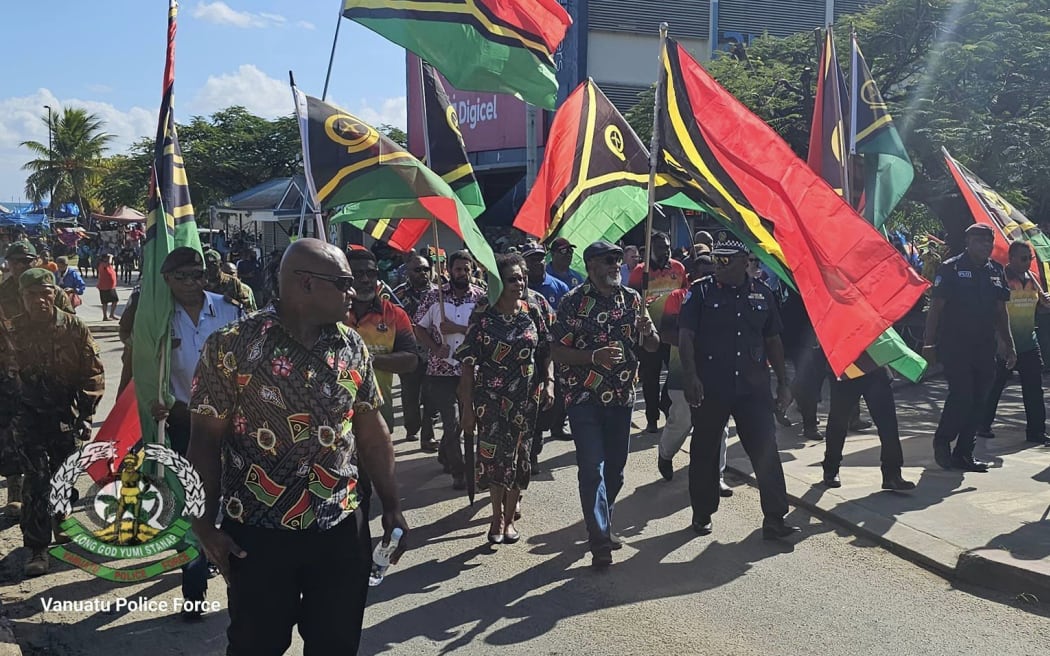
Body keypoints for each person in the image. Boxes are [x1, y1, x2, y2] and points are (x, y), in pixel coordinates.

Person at [188, 239, 408, 655]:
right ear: (305, 284)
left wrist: (392, 503)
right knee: (257, 644)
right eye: (344, 282)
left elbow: (371, 430)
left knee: (336, 644)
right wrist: (203, 524)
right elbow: (204, 442)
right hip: (258, 532)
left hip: (340, 527)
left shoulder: (350, 345)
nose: (356, 291)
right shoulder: (231, 346)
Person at [138, 247, 241, 618]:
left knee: (236, 502)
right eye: (181, 277)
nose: (191, 284)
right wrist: (155, 399)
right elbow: (144, 365)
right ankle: (194, 590)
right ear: (166, 280)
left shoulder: (230, 309)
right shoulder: (158, 317)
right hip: (185, 421)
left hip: (234, 422)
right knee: (193, 505)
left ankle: (241, 584)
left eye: (196, 275)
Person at [679, 236, 798, 540]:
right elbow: (686, 337)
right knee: (705, 450)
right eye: (717, 259)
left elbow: (773, 340)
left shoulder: (763, 293)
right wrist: (690, 376)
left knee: (765, 450)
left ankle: (774, 517)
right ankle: (702, 512)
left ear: (745, 262)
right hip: (711, 385)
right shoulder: (701, 292)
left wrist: (783, 383)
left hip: (752, 388)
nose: (720, 265)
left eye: (727, 260)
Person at [550, 240, 659, 569]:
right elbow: (556, 350)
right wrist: (591, 357)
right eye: (609, 260)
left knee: (616, 470)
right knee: (592, 468)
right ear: (591, 265)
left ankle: (601, 518)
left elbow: (652, 346)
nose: (617, 264)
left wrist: (648, 331)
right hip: (583, 397)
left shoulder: (632, 299)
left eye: (618, 259)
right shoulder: (573, 302)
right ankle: (599, 540)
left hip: (622, 396)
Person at [4, 268, 104, 576]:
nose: (39, 300)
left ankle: (61, 521)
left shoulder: (73, 328)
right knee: (36, 479)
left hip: (64, 416)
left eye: (44, 293)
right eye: (31, 294)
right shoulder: (10, 331)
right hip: (26, 418)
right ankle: (37, 547)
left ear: (54, 293)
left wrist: (87, 413)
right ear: (22, 298)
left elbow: (92, 372)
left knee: (63, 475)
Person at [458, 253, 551, 544]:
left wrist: (550, 383)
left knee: (520, 458)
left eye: (522, 277)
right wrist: (467, 409)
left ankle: (510, 519)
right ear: (498, 281)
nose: (520, 282)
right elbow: (468, 362)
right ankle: (496, 518)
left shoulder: (535, 306)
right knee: (495, 460)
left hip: (526, 399)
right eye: (512, 278)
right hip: (490, 400)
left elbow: (548, 349)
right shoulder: (483, 311)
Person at [924, 223, 1015, 472]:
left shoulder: (996, 270)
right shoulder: (951, 268)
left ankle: (965, 452)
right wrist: (928, 343)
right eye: (979, 241)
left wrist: (1008, 343)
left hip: (984, 346)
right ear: (968, 242)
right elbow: (936, 307)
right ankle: (942, 442)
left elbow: (1000, 311)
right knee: (962, 395)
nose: (985, 245)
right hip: (955, 344)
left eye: (988, 241)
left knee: (979, 400)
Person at [656, 254, 733, 497]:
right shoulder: (677, 298)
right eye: (704, 272)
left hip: (717, 374)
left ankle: (717, 475)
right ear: (691, 276)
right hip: (682, 373)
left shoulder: (724, 297)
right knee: (682, 421)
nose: (710, 277)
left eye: (713, 271)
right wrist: (691, 340)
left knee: (720, 427)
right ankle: (666, 453)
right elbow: (665, 334)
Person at [413, 251, 485, 488]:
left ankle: (448, 453)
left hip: (470, 370)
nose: (462, 273)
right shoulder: (435, 297)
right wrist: (434, 347)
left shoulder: (480, 298)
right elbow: (418, 327)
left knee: (469, 420)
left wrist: (457, 327)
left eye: (466, 269)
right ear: (449, 271)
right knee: (451, 421)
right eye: (458, 269)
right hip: (441, 370)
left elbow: (484, 331)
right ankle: (459, 470)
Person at [977, 241, 1050, 446]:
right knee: (995, 386)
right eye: (1023, 258)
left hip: (1028, 342)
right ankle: (982, 425)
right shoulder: (1002, 278)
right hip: (1005, 342)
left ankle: (1036, 431)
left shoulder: (1032, 279)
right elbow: (994, 311)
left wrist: (1046, 301)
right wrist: (1001, 341)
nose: (1028, 262)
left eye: (1030, 258)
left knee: (1034, 389)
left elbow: (1041, 306)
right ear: (1011, 258)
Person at [344, 249, 417, 431]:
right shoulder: (332, 314)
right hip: (337, 417)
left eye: (371, 273)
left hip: (378, 416)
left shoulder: (395, 315)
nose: (365, 280)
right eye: (358, 274)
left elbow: (410, 360)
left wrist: (367, 360)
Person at [821, 365, 917, 490]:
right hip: (847, 369)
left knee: (888, 424)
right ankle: (831, 468)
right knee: (838, 422)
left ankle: (892, 474)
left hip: (875, 369)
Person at [629, 232, 688, 433]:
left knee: (674, 375)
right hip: (650, 335)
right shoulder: (640, 272)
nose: (665, 250)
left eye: (667, 246)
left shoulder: (678, 268)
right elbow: (633, 302)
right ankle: (651, 419)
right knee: (651, 379)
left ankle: (666, 404)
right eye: (661, 247)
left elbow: (685, 295)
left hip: (672, 333)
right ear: (652, 248)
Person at [523, 242, 570, 452]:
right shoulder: (514, 289)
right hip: (523, 356)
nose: (538, 263)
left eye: (540, 258)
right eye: (532, 259)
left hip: (551, 351)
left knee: (551, 397)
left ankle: (551, 430)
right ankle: (529, 448)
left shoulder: (559, 287)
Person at [393, 253, 438, 442]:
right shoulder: (398, 294)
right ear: (408, 272)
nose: (423, 273)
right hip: (409, 352)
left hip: (432, 352)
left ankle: (428, 434)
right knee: (410, 395)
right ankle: (412, 427)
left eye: (426, 269)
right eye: (417, 270)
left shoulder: (439, 293)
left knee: (432, 396)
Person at [97, 253, 119, 320]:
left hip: (110, 286)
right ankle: (105, 316)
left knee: (115, 300)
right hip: (104, 287)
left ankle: (111, 314)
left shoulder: (109, 265)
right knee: (105, 302)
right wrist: (111, 257)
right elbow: (108, 263)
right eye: (107, 257)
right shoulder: (102, 264)